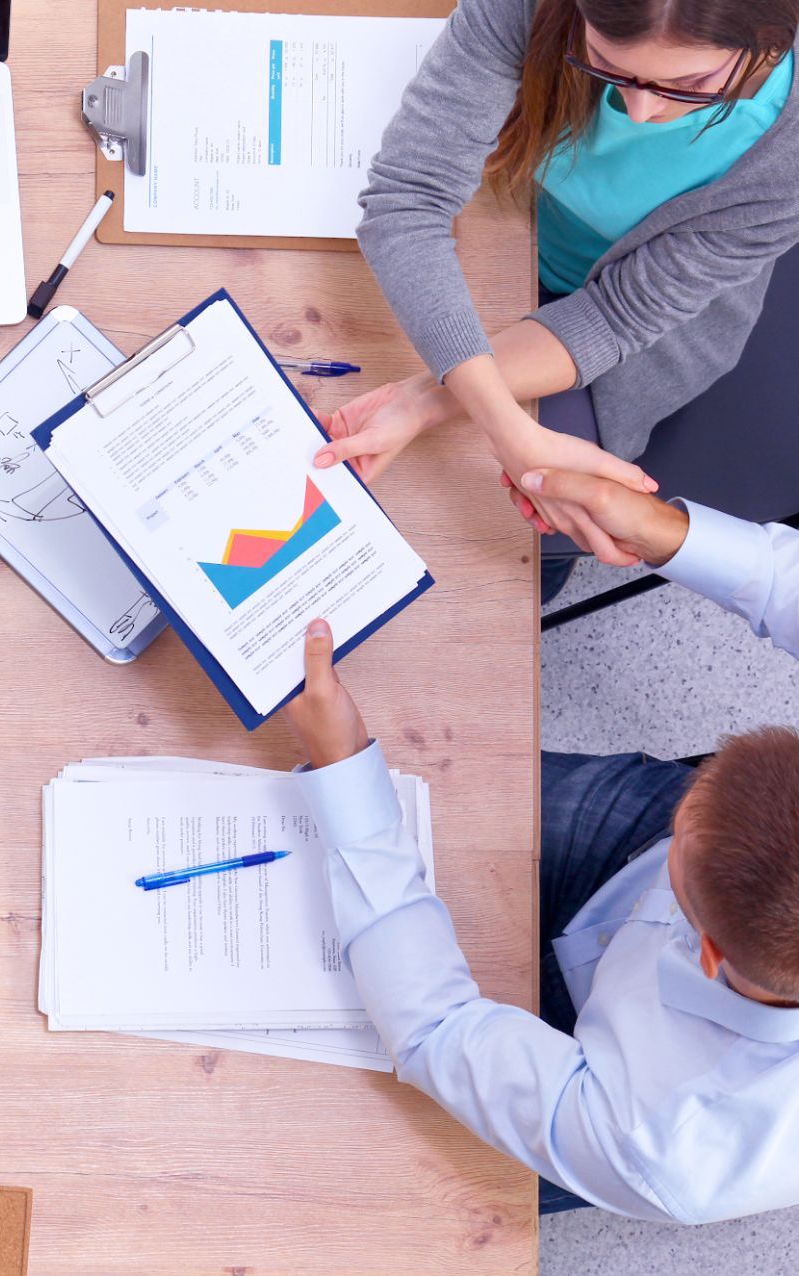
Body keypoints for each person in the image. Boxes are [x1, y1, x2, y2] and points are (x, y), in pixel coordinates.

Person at [284, 468, 799, 1222]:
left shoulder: (667, 1144)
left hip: (601, 1092)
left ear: (708, 951)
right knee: (421, 787)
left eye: (681, 841)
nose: (680, 805)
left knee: (357, 1137)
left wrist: (348, 783)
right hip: (626, 858)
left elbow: (434, 1029)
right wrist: (661, 530)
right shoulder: (694, 850)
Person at [317, 0, 799, 572]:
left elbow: (617, 315)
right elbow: (408, 198)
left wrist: (434, 398)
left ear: (772, 39)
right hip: (512, 227)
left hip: (641, 334)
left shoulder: (785, 156)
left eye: (691, 85)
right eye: (606, 64)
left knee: (518, 548)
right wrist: (501, 424)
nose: (640, 110)